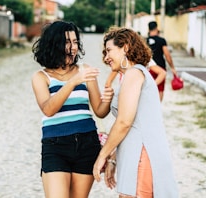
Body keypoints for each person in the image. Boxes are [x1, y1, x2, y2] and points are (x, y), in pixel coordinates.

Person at [31, 21, 114, 198]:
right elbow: (48, 109)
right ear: (54, 44)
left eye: (75, 42)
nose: (73, 47)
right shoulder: (41, 77)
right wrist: (74, 81)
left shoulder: (85, 71)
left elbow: (99, 111)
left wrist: (107, 100)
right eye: (67, 42)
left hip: (87, 143)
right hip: (55, 145)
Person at [93, 27, 178, 198]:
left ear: (125, 47)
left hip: (142, 155)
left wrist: (102, 156)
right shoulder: (134, 74)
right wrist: (113, 158)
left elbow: (124, 122)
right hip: (133, 152)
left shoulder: (134, 74)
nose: (106, 57)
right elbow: (136, 125)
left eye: (109, 50)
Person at [147, 21, 178, 101]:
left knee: (148, 88)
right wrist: (172, 67)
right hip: (160, 68)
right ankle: (157, 107)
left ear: (149, 29)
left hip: (149, 68)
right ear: (156, 28)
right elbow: (167, 55)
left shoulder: (145, 41)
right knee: (160, 89)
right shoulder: (161, 40)